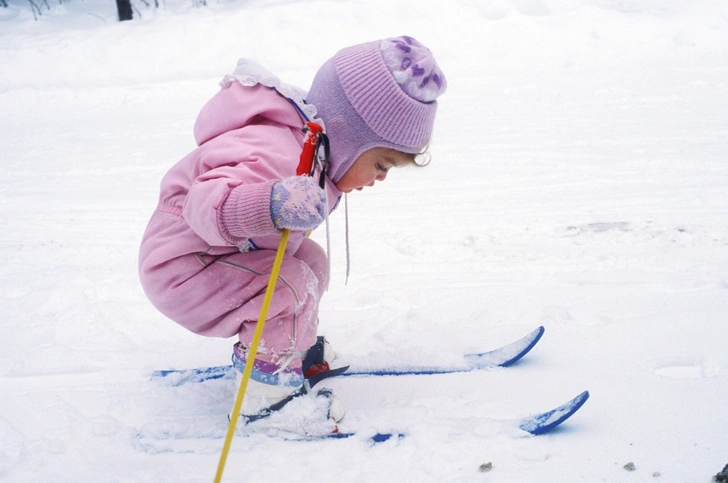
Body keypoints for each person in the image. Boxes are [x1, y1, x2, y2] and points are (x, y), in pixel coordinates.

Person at [138, 35, 447, 434]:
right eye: (381, 162)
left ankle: (288, 349)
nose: (381, 177)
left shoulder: (314, 148)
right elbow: (204, 206)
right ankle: (268, 402)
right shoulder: (276, 152)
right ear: (348, 137)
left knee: (311, 261)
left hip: (214, 258)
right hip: (181, 268)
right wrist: (271, 204)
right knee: (291, 284)